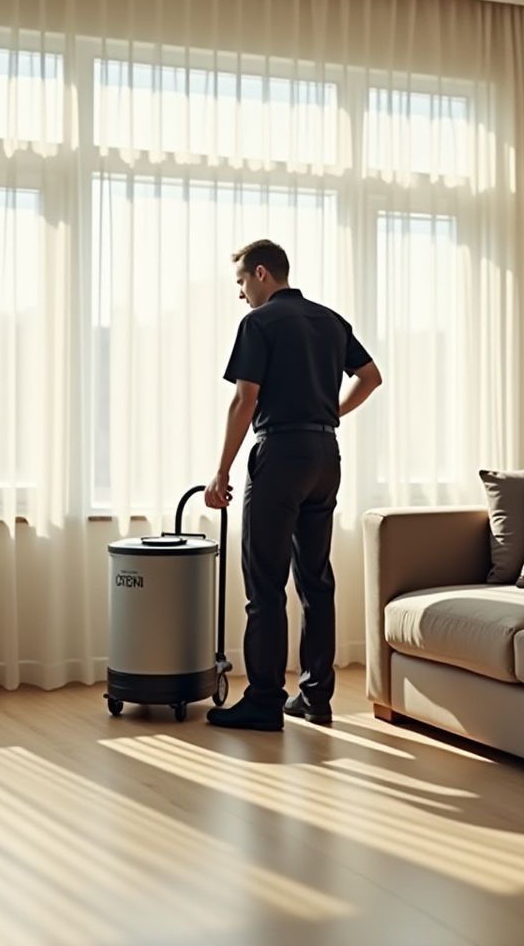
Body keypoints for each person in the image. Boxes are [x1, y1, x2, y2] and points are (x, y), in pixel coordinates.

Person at [204, 239, 382, 731]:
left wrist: (221, 470)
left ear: (262, 274)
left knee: (264, 582)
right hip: (325, 455)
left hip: (280, 455)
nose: (240, 294)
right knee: (314, 579)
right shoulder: (330, 320)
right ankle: (315, 696)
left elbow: (245, 400)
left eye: (241, 282)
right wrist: (330, 414)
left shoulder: (258, 324)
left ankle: (263, 700)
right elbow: (371, 377)